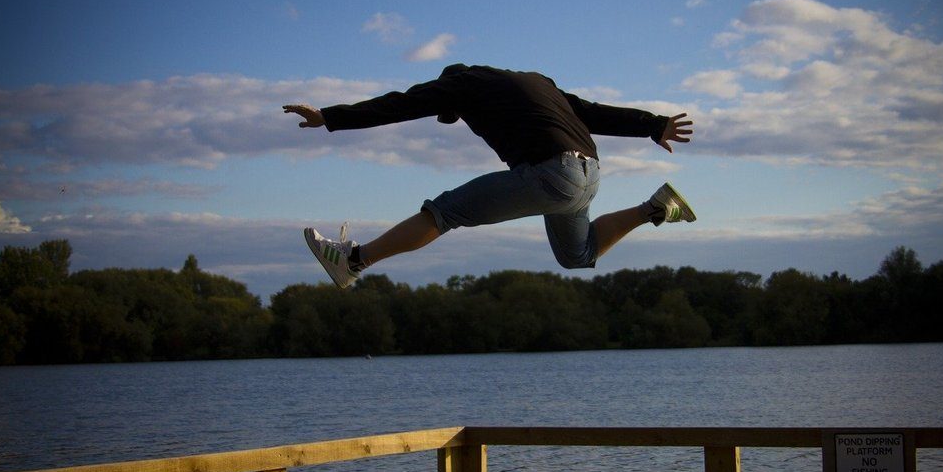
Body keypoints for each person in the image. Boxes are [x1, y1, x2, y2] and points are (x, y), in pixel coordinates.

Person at [283, 63, 695, 289]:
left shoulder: (460, 85)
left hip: (552, 174)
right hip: (589, 173)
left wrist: (330, 117)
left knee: (444, 212)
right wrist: (652, 124)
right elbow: (591, 111)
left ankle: (353, 261)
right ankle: (655, 208)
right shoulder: (537, 82)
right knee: (578, 255)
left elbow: (400, 105)